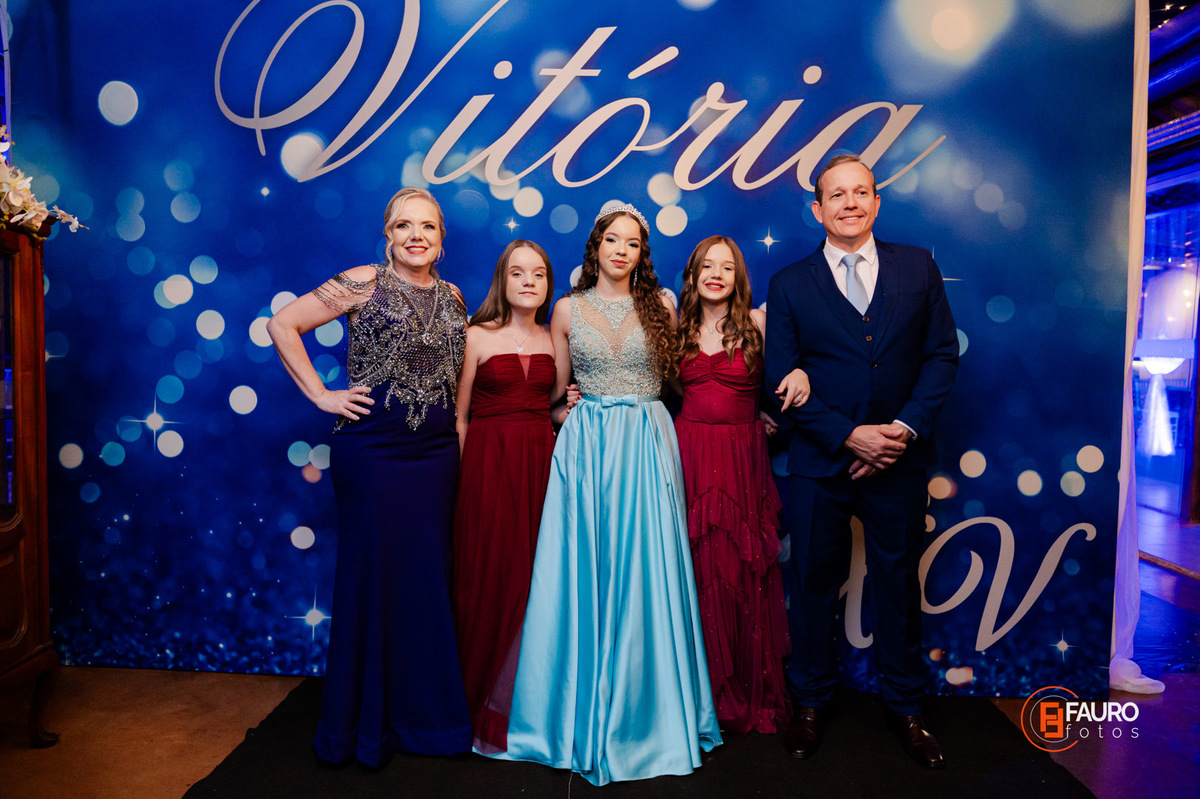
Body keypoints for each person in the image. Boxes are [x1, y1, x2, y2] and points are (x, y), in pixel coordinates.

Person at [493, 203, 722, 785]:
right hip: (589, 446)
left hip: (646, 441)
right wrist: (562, 408)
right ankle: (576, 709)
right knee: (584, 571)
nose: (621, 250)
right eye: (612, 240)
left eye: (633, 243)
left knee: (646, 570)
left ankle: (648, 716)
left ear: (643, 254)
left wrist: (748, 407)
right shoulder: (567, 309)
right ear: (595, 246)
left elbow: (682, 380)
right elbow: (552, 392)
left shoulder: (662, 304)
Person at [765, 155, 959, 768]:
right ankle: (810, 702)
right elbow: (780, 377)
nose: (849, 203)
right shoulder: (789, 283)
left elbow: (941, 356)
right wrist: (851, 436)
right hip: (820, 461)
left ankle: (906, 708)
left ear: (876, 202)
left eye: (861, 192)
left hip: (899, 458)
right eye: (836, 195)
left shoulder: (918, 267)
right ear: (817, 209)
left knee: (898, 584)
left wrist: (900, 431)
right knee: (812, 584)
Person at [266, 187, 471, 765]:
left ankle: (425, 722)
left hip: (435, 458)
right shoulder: (363, 282)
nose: (416, 236)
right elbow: (282, 325)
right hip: (373, 454)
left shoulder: (455, 297)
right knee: (373, 578)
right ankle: (363, 725)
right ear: (387, 235)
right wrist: (321, 395)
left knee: (426, 581)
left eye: (427, 226)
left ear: (441, 238)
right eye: (404, 225)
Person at [673, 234, 808, 737]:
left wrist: (776, 405)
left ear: (739, 277)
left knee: (738, 565)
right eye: (707, 266)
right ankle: (695, 691)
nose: (716, 274)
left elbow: (793, 375)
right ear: (692, 275)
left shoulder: (758, 324)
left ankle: (744, 686)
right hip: (689, 453)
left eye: (726, 267)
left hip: (740, 457)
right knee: (693, 565)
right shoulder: (675, 326)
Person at [451, 239, 561, 752]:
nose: (528, 281)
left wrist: (568, 408)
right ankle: (475, 702)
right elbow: (459, 417)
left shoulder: (555, 337)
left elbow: (554, 404)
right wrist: (459, 481)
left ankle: (523, 703)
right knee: (487, 574)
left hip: (540, 463)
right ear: (502, 280)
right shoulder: (475, 336)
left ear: (547, 283)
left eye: (538, 273)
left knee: (533, 575)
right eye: (518, 272)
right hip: (488, 464)